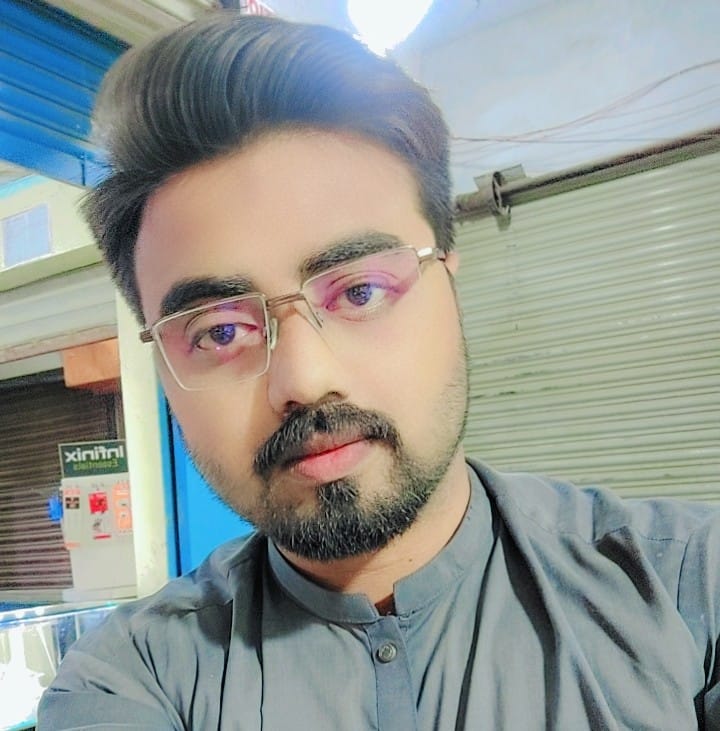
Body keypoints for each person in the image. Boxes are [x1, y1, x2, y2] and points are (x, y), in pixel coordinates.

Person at [38, 11, 720, 731]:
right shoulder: (130, 680)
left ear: (449, 281)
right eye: (221, 331)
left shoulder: (688, 587)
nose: (303, 379)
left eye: (360, 291)